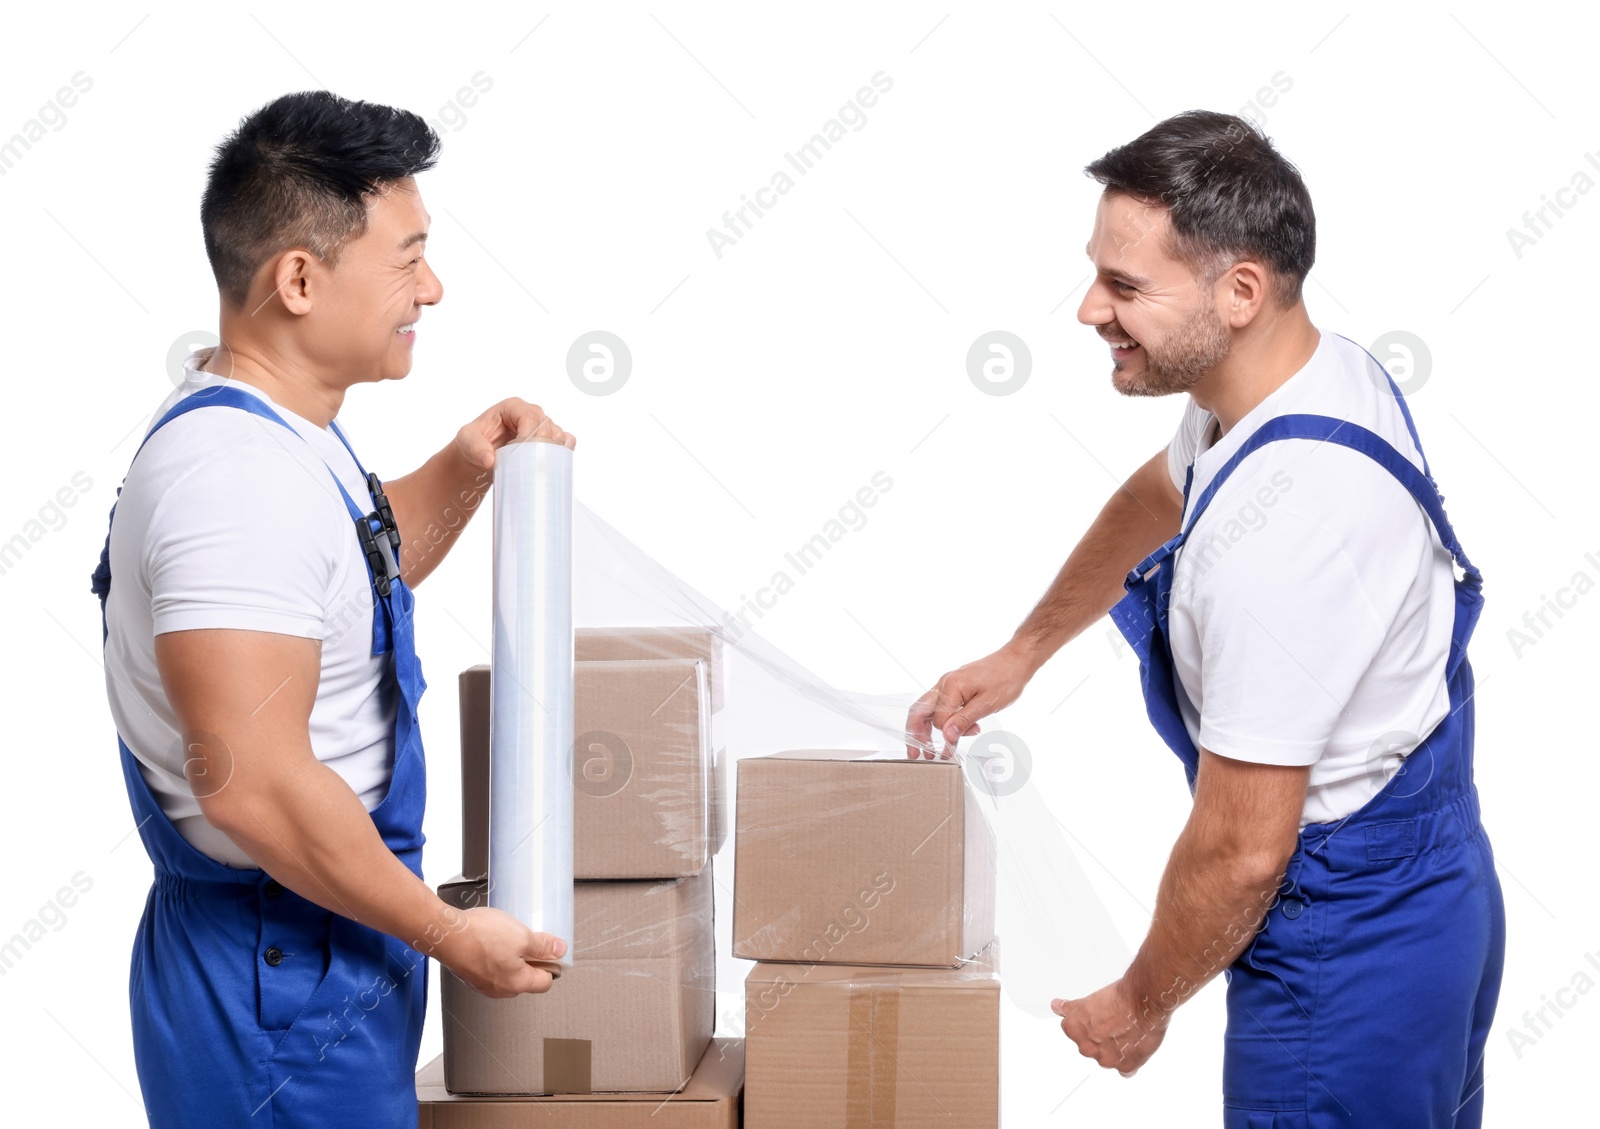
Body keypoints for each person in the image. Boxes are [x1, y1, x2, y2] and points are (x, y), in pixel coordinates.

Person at [906, 110, 1504, 1127]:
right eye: (1096, 272)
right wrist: (1025, 651)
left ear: (1240, 292)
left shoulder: (1292, 527)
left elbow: (1241, 850)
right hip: (1434, 899)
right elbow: (1163, 492)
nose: (1088, 308)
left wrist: (1140, 1003)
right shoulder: (1290, 378)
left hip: (1346, 956)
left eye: (1125, 287)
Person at [91, 91, 573, 1128]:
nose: (431, 289)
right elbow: (255, 788)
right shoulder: (232, 480)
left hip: (315, 942)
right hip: (276, 972)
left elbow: (325, 579)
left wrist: (461, 468)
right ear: (298, 279)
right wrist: (452, 935)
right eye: (408, 258)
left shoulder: (277, 441)